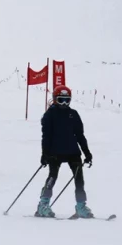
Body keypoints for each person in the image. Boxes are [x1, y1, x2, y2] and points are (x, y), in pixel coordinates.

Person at [35, 85, 94, 218]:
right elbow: (46, 136)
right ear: (55, 99)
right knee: (52, 177)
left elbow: (80, 135)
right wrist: (44, 154)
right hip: (54, 152)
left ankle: (81, 206)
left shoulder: (73, 114)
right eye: (61, 100)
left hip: (73, 152)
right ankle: (43, 205)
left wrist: (87, 153)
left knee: (79, 180)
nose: (64, 103)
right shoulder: (49, 115)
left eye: (67, 100)